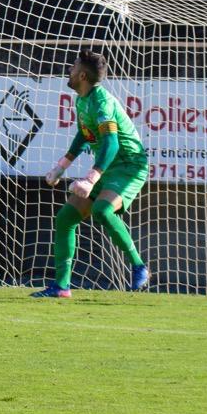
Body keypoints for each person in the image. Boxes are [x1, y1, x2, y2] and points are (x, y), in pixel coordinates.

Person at [38, 49, 150, 298]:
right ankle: (62, 287)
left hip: (129, 165)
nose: (70, 69)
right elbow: (84, 135)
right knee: (66, 217)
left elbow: (112, 144)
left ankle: (139, 266)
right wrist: (61, 167)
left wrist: (91, 178)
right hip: (108, 165)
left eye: (74, 66)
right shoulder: (82, 99)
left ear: (82, 75)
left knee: (101, 210)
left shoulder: (102, 102)